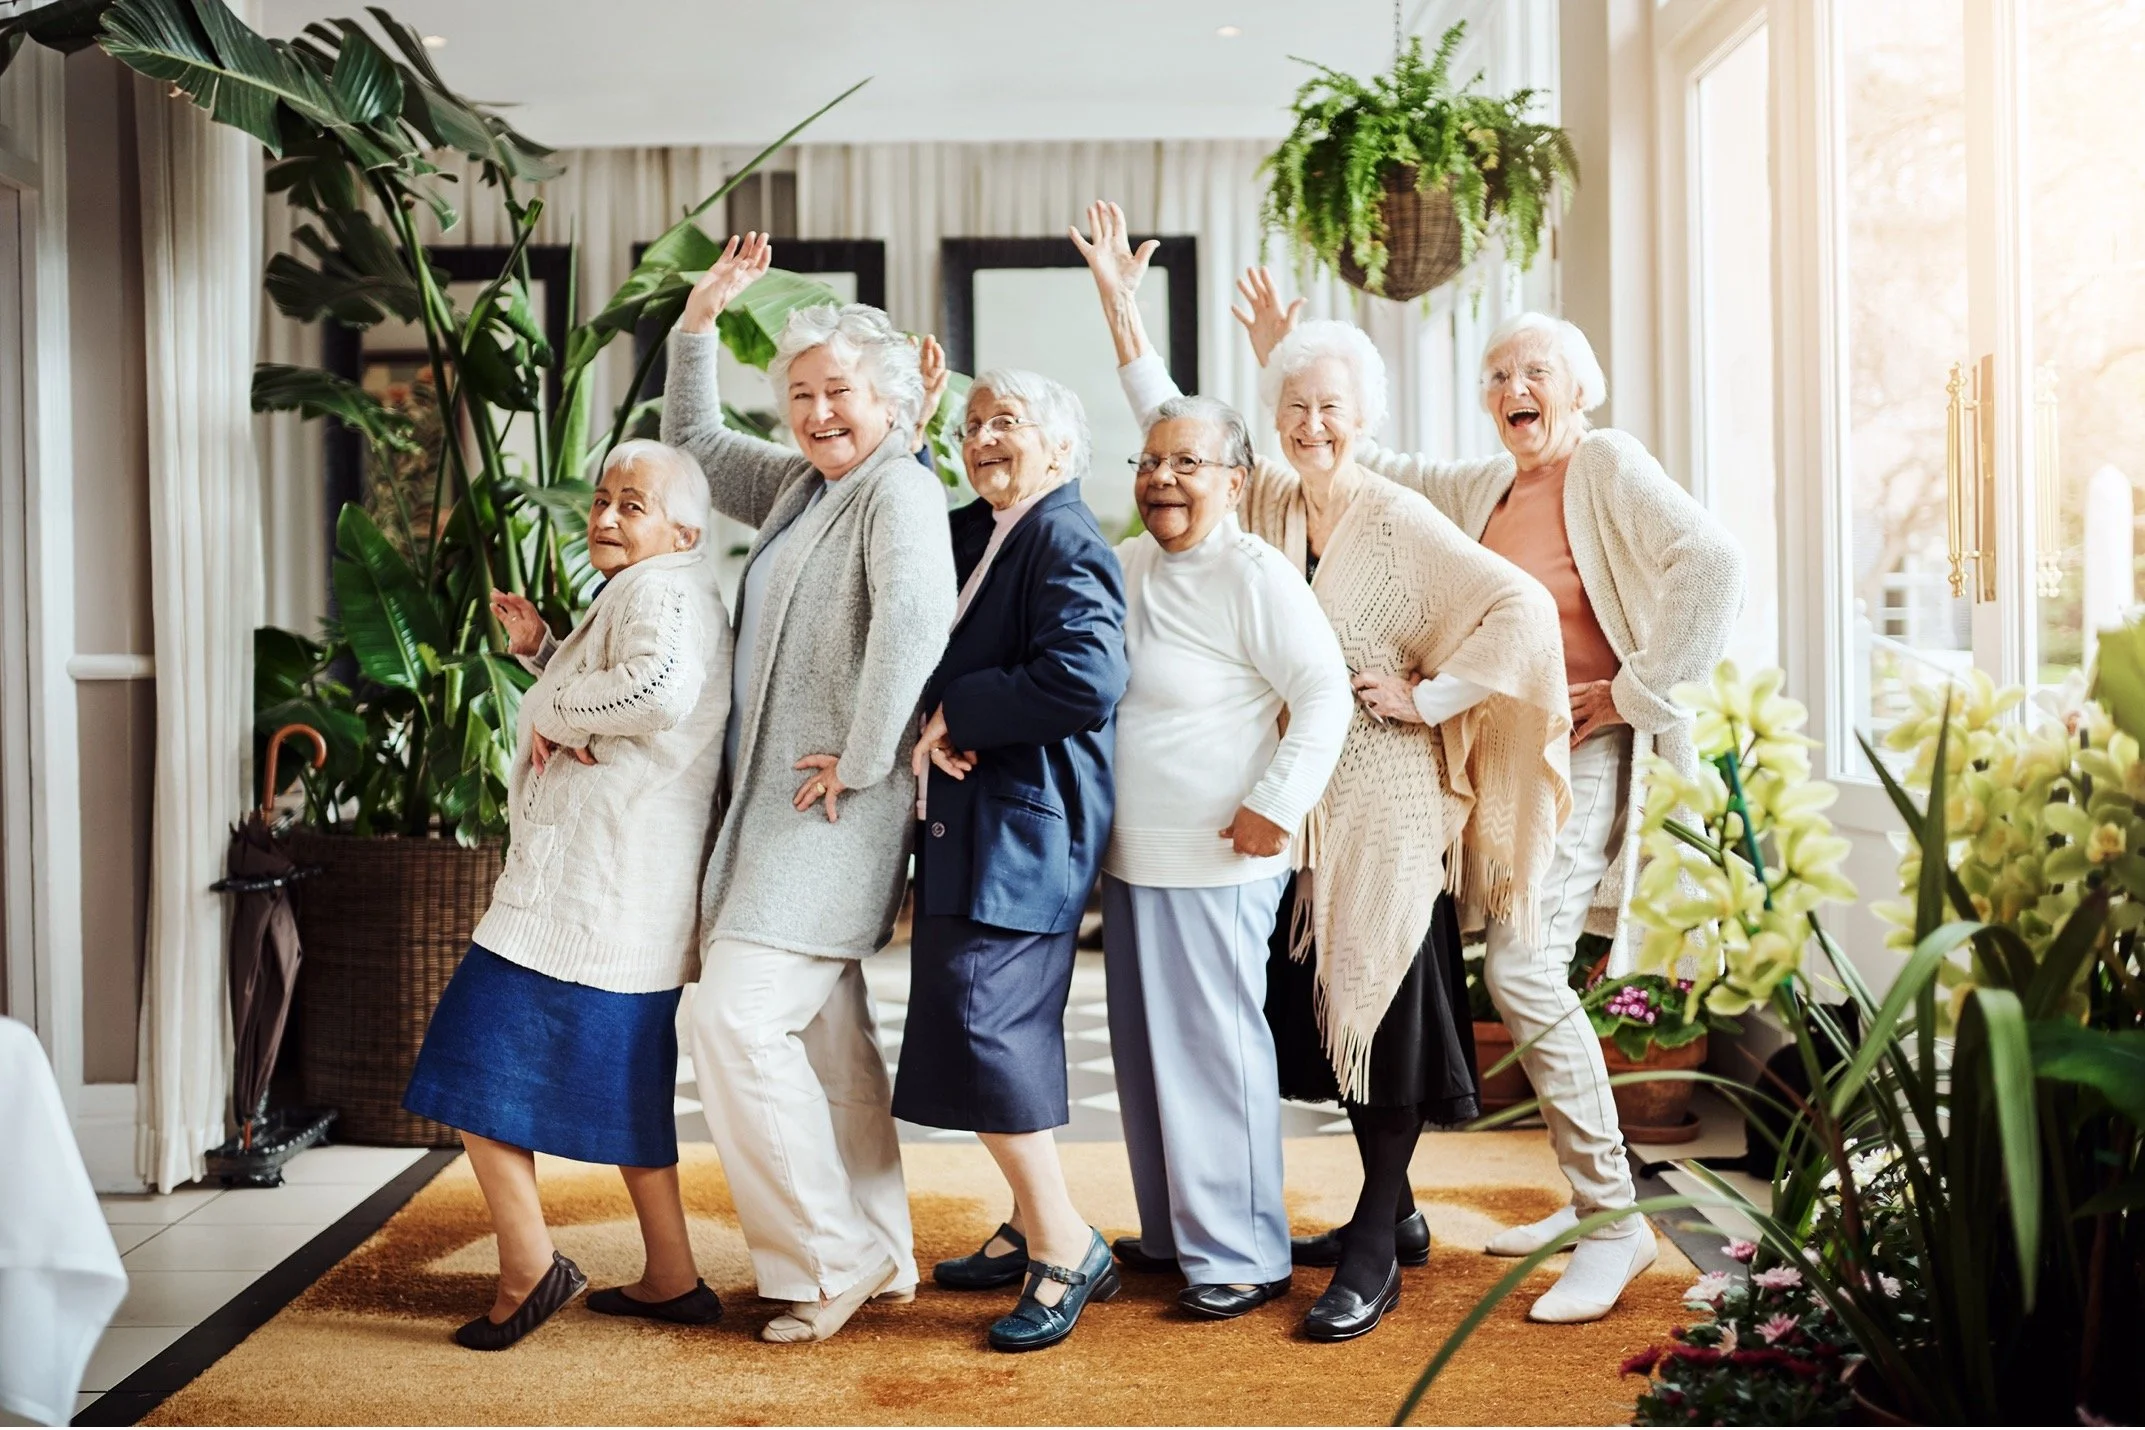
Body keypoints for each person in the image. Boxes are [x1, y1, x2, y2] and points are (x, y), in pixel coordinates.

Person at [1077, 202, 1572, 1342]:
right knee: (1308, 1013)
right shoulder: (1264, 498)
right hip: (1296, 799)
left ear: (1367, 418)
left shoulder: (1398, 515)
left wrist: (1432, 694)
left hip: (1387, 796)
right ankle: (1388, 1210)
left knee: (1383, 1005)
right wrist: (1119, 307)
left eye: (1332, 408)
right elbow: (1171, 426)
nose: (1312, 425)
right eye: (1294, 408)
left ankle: (1370, 1239)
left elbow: (1517, 605)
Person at [1232, 268, 1746, 1323]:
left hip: (1581, 751)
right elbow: (1357, 457)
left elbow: (1713, 559)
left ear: (1580, 390)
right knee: (1491, 967)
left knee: (1521, 969)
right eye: (1499, 373)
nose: (1516, 385)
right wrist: (1291, 353)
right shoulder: (1484, 490)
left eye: (1537, 370)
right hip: (1496, 760)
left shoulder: (1602, 462)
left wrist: (1641, 687)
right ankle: (1547, 1203)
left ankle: (1611, 1219)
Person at [663, 234, 957, 1344]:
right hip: (780, 810)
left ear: (887, 397)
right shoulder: (798, 481)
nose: (819, 410)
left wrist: (869, 753)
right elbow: (691, 438)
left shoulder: (899, 491)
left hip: (828, 810)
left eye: (840, 390)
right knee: (829, 1037)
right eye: (801, 394)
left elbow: (916, 622)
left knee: (733, 1019)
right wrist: (698, 325)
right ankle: (876, 1246)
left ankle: (819, 1259)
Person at [403, 439, 731, 1350]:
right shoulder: (667, 589)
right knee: (629, 1090)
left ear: (684, 529)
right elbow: (640, 689)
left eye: (634, 504)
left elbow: (661, 688)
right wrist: (547, 650)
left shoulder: (659, 589)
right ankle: (672, 1274)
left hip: (585, 895)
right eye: (602, 500)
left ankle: (528, 1266)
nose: (607, 516)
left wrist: (549, 705)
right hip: (627, 896)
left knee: (467, 1062)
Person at [1091, 364, 1355, 1325]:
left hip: (1222, 854)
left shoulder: (1256, 574)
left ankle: (1242, 1251)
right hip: (1130, 853)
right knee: (1146, 1054)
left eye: (1188, 463)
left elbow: (1323, 695)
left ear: (1235, 480)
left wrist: (1276, 802)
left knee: (1212, 1053)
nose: (1163, 478)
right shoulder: (1127, 564)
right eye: (1151, 461)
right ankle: (1174, 1232)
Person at [891, 358, 1130, 1352]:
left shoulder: (1067, 537)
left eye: (1011, 421)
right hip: (972, 826)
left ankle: (1067, 1244)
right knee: (976, 1030)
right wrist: (912, 432)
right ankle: (1034, 1217)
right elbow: (899, 551)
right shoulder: (983, 531)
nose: (986, 437)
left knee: (992, 1031)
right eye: (975, 423)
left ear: (1061, 444)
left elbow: (1087, 675)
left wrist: (959, 707)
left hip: (1025, 828)